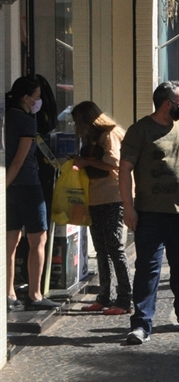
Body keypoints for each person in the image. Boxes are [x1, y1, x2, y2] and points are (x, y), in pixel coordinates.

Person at [119, 80, 179, 344]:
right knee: (147, 269)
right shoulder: (140, 131)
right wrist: (128, 206)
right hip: (149, 213)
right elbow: (124, 169)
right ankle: (141, 325)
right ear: (167, 103)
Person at [5, 76, 61, 312]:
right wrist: (6, 183)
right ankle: (35, 294)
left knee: (9, 241)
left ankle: (8, 293)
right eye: (36, 97)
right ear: (26, 98)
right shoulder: (27, 122)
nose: (38, 101)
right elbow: (20, 159)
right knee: (38, 238)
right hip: (27, 185)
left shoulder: (6, 116)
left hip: (9, 189)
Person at [71, 101, 132, 315]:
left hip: (113, 196)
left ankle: (125, 298)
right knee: (101, 249)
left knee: (115, 247)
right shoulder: (94, 137)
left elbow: (115, 162)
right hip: (95, 197)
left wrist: (87, 163)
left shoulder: (110, 134)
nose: (79, 127)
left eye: (80, 122)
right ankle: (104, 295)